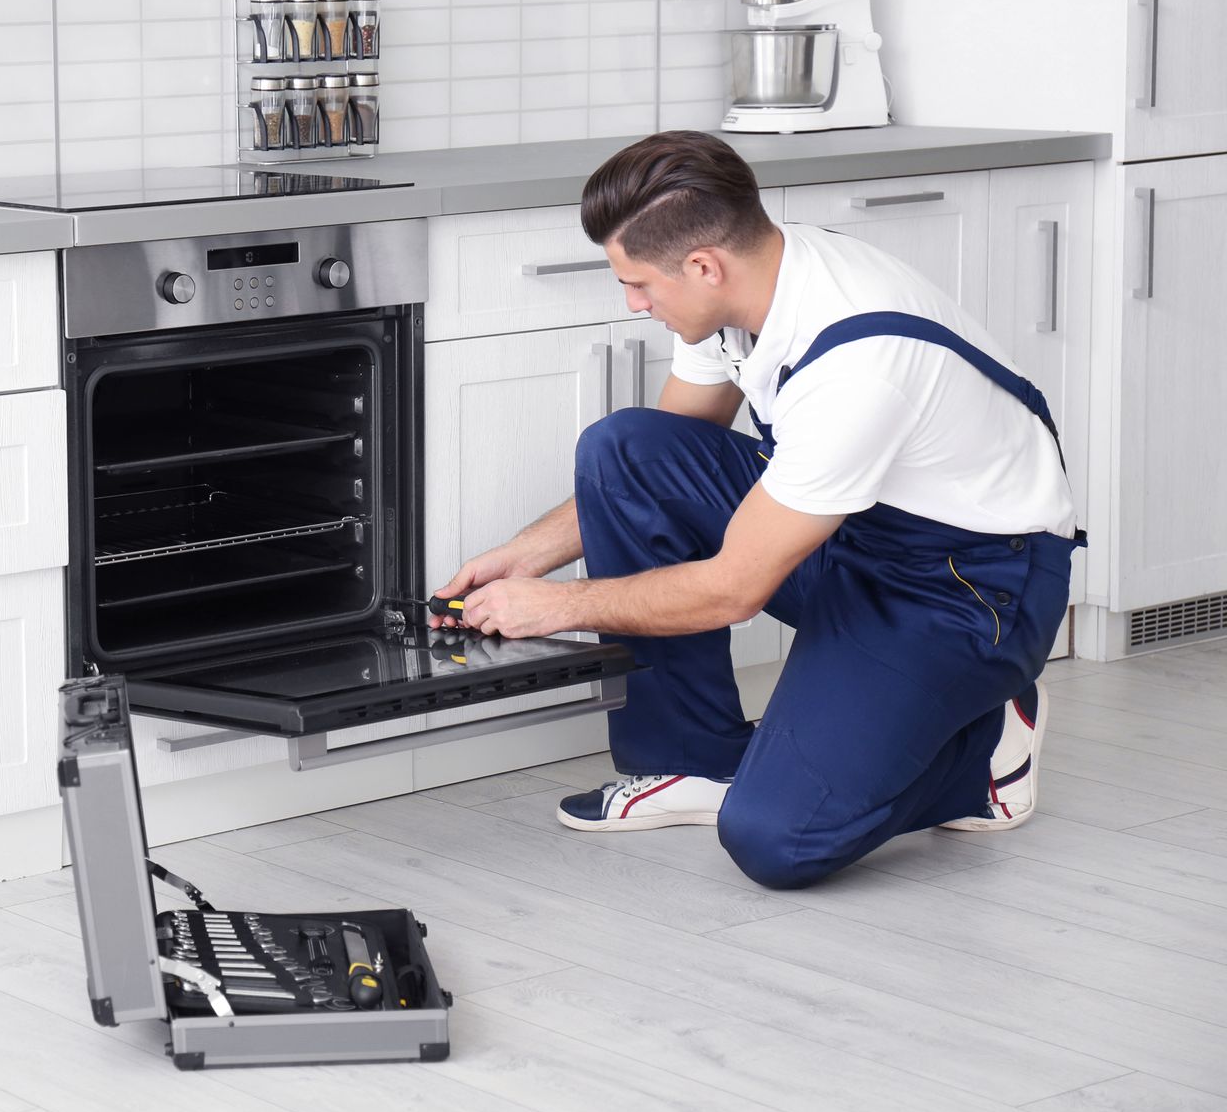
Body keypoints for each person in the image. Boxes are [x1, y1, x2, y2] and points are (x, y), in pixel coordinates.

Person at [431, 131, 1083, 890]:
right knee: (628, 447)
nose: (633, 302)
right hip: (850, 532)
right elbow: (668, 455)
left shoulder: (857, 364)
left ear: (704, 266)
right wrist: (528, 554)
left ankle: (988, 747)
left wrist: (555, 607)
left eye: (638, 282)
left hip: (965, 587)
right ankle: (693, 762)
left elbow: (733, 588)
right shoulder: (752, 286)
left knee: (779, 838)